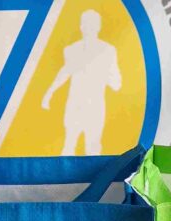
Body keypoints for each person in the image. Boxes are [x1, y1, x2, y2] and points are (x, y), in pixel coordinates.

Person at [41, 9, 122, 156]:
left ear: (98, 27)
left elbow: (116, 84)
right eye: (86, 24)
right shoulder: (72, 50)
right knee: (68, 147)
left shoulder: (108, 51)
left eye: (92, 25)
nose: (89, 28)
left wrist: (105, 75)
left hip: (95, 107)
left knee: (93, 150)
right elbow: (64, 73)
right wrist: (49, 93)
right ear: (81, 27)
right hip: (75, 106)